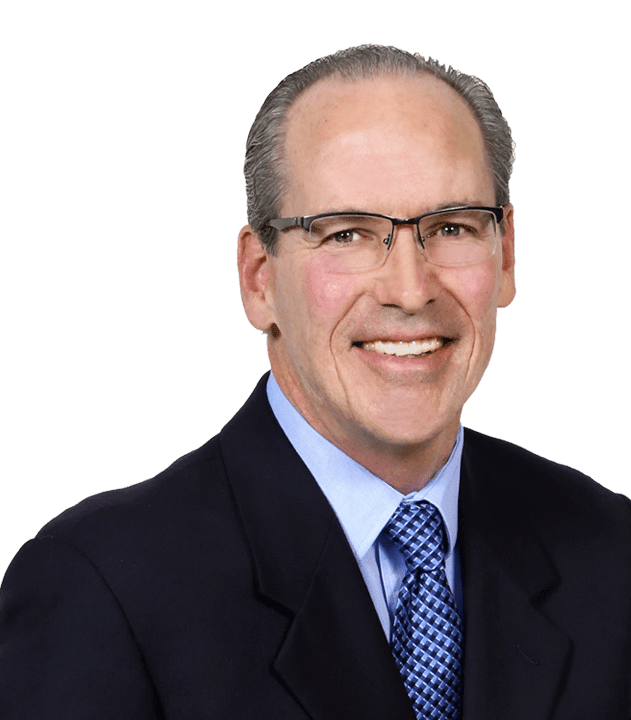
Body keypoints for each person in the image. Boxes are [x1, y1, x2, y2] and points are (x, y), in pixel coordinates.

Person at [1, 44, 630, 720]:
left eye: (451, 227)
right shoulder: (100, 588)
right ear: (259, 279)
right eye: (346, 234)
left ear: (504, 257)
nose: (410, 289)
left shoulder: (612, 555)